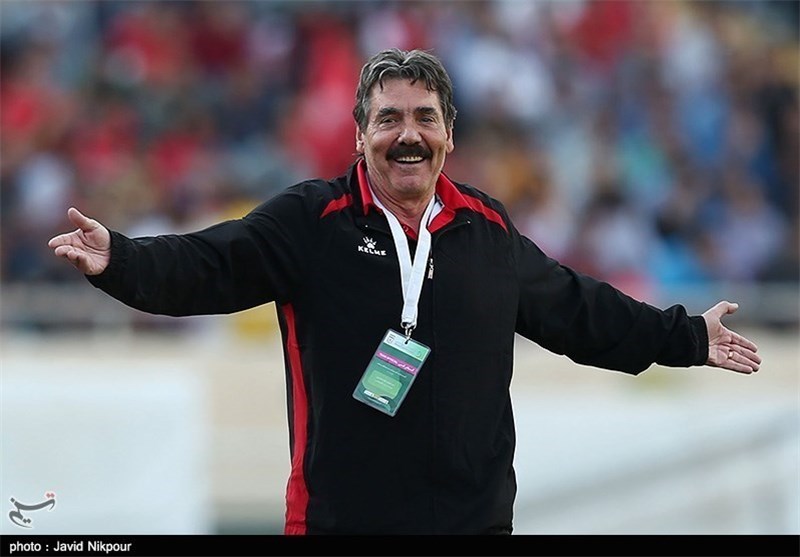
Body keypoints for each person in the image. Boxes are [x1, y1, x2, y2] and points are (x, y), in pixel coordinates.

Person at [48, 48, 761, 535]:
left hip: (474, 525)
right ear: (359, 137)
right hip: (341, 524)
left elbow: (576, 309)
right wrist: (121, 259)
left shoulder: (485, 229)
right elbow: (208, 263)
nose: (408, 135)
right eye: (388, 119)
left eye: (424, 117)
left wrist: (686, 336)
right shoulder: (312, 221)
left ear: (449, 134)